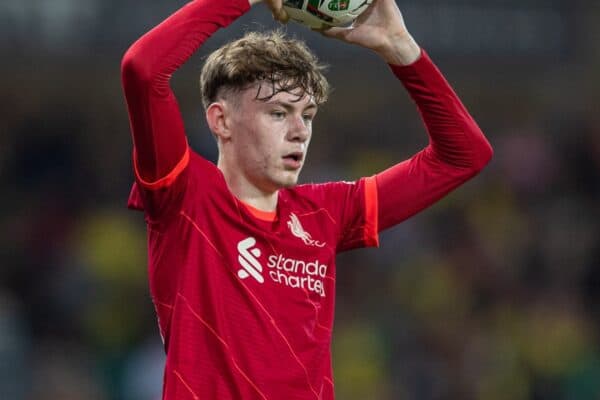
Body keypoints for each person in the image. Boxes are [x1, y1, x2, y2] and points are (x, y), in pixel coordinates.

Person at [120, 0, 493, 398]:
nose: (299, 131)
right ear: (221, 120)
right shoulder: (186, 194)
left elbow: (464, 156)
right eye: (278, 113)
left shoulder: (325, 213)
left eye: (308, 115)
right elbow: (143, 69)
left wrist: (401, 49)